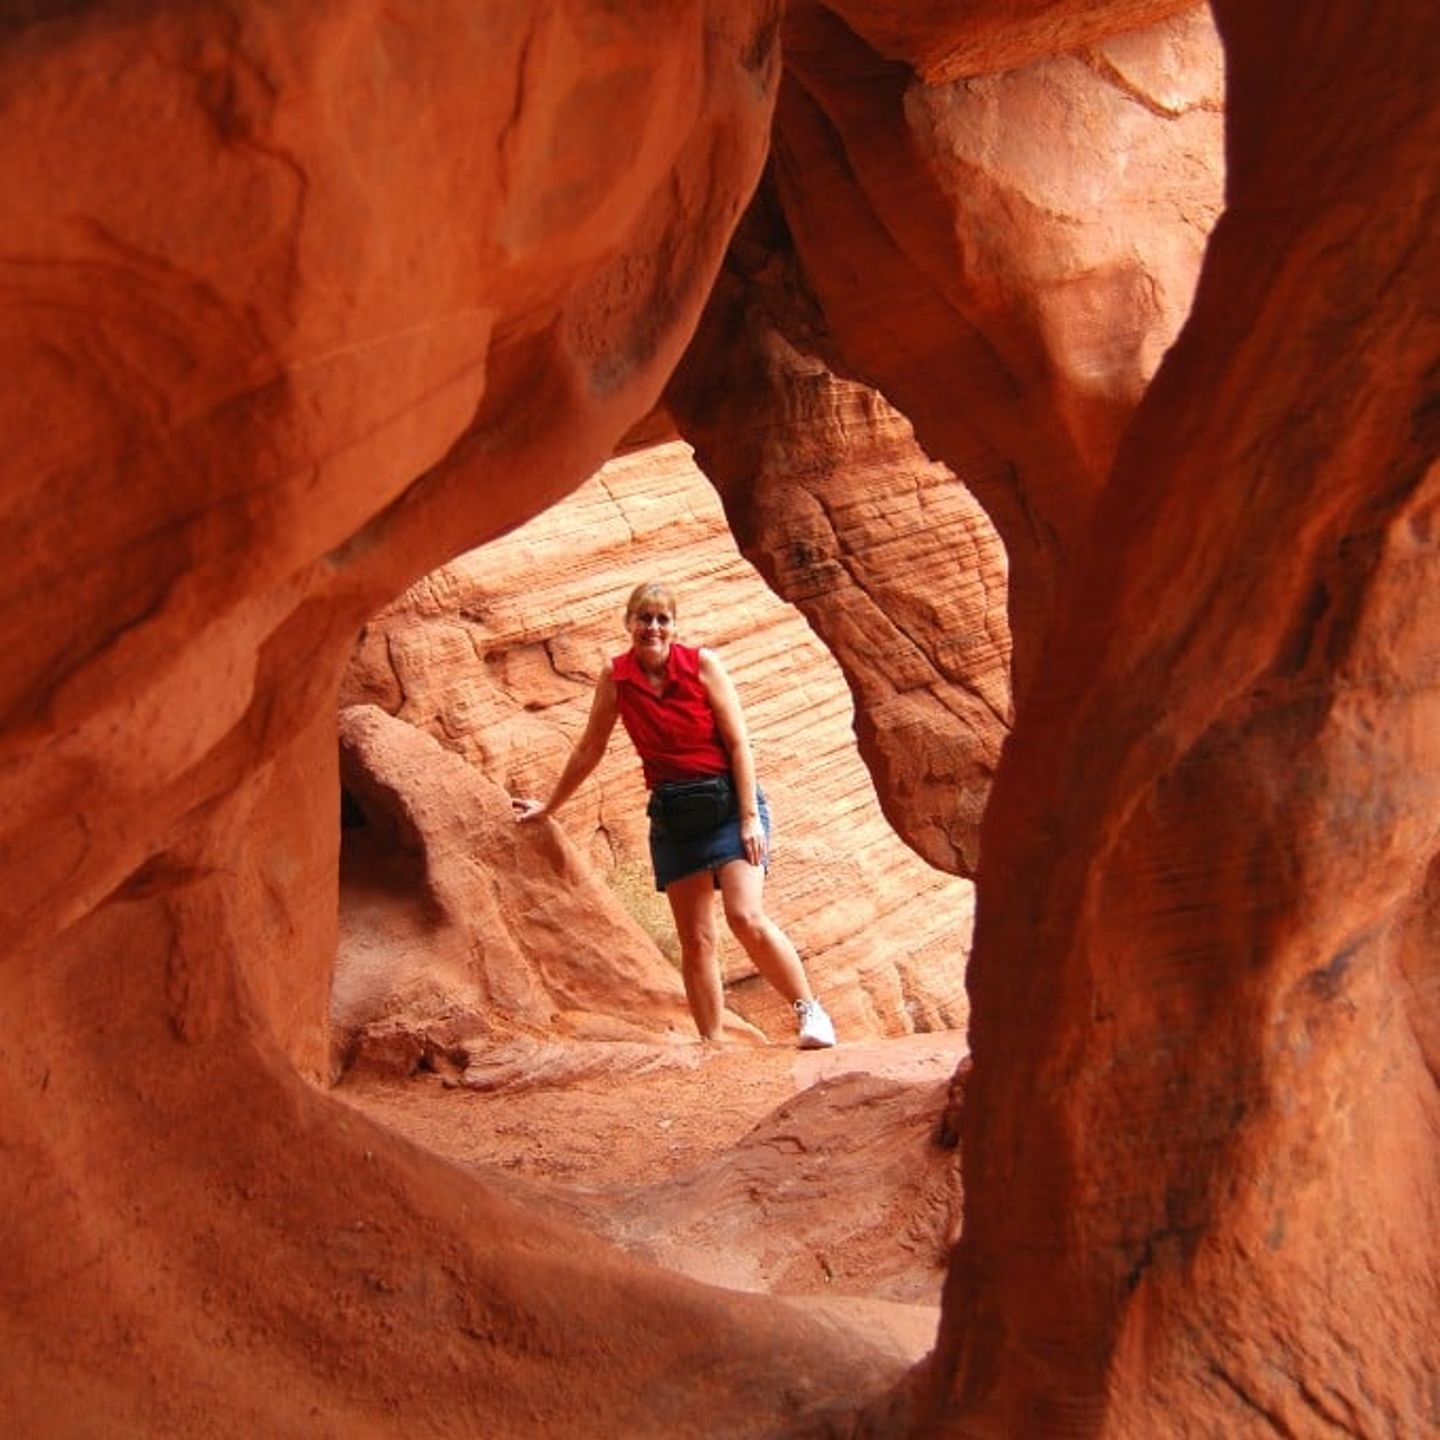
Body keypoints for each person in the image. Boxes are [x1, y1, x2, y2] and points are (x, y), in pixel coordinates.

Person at [512, 580, 837, 1049]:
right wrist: (550, 806)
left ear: (675, 626)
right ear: (629, 624)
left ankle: (811, 1013)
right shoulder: (618, 678)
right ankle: (712, 1044)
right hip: (674, 817)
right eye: (644, 618)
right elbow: (590, 748)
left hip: (729, 806)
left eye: (663, 619)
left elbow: (739, 743)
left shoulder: (703, 666)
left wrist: (749, 818)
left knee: (744, 916)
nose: (653, 627)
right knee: (697, 940)